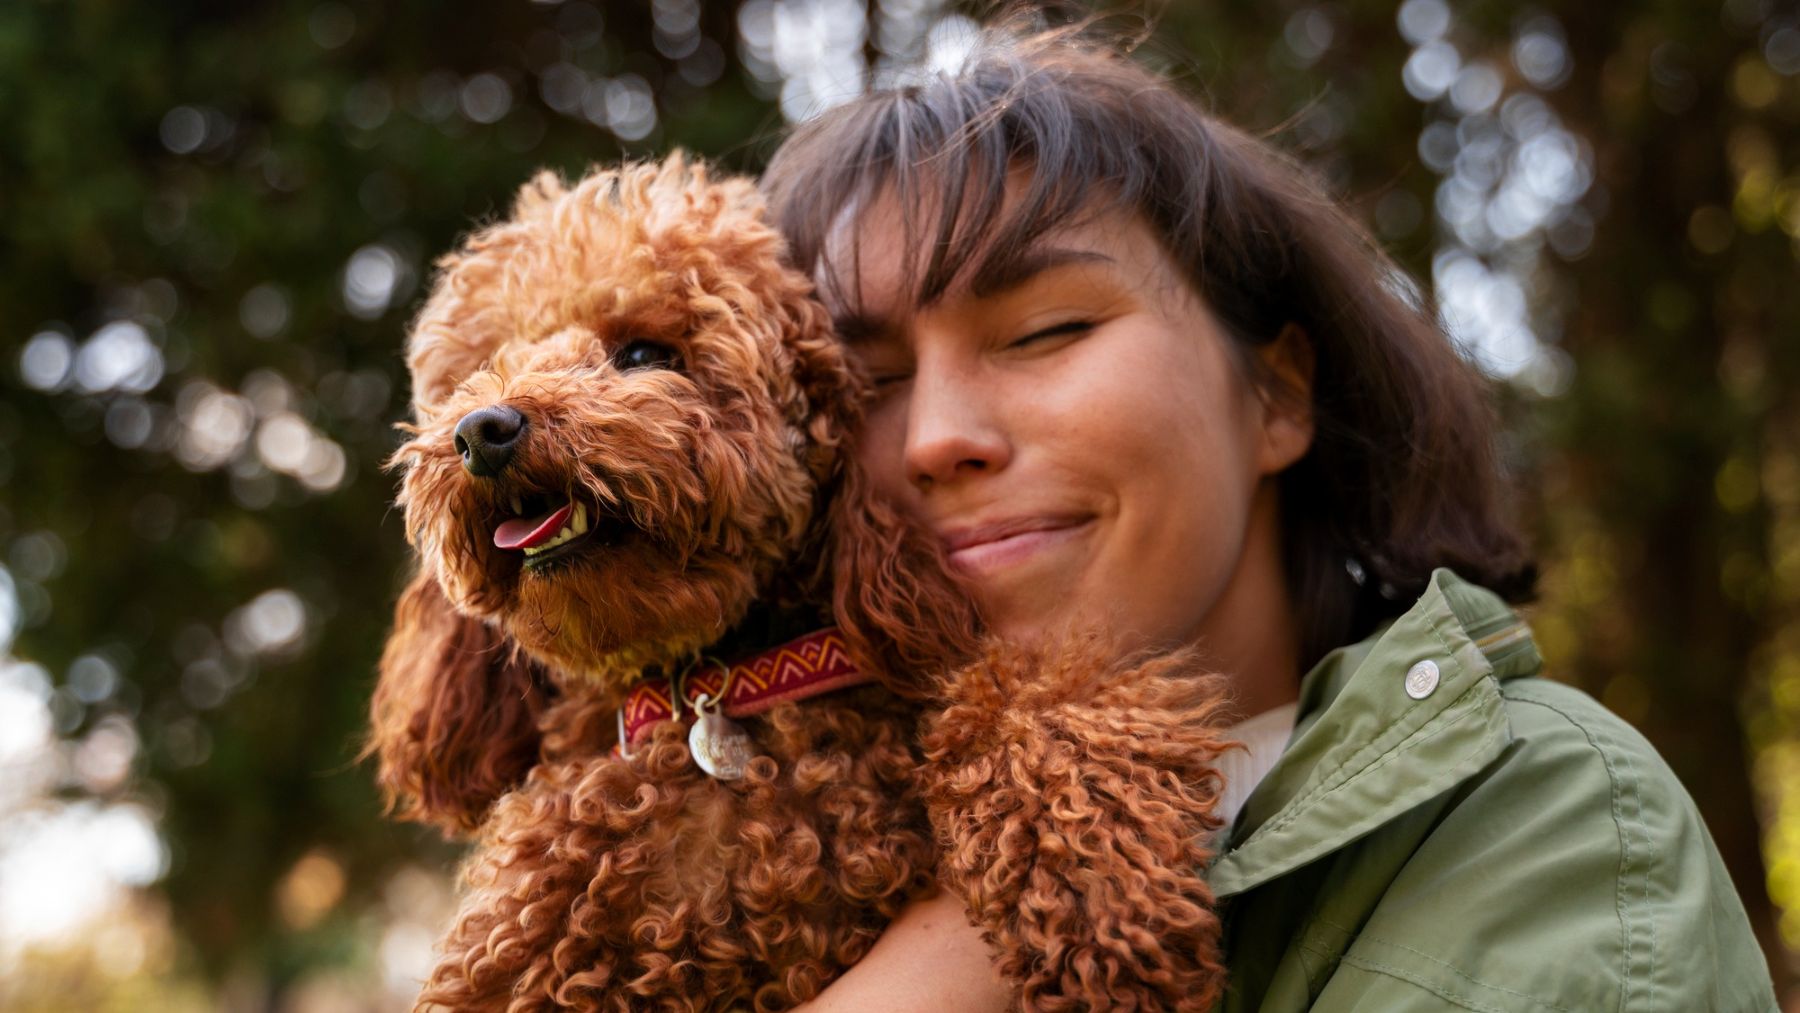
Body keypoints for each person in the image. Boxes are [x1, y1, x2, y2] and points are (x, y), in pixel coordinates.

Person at [757, 15, 1781, 1013]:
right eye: (869, 379)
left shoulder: (1536, 818)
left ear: (1278, 395)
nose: (936, 435)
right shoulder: (759, 850)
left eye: (1045, 329)